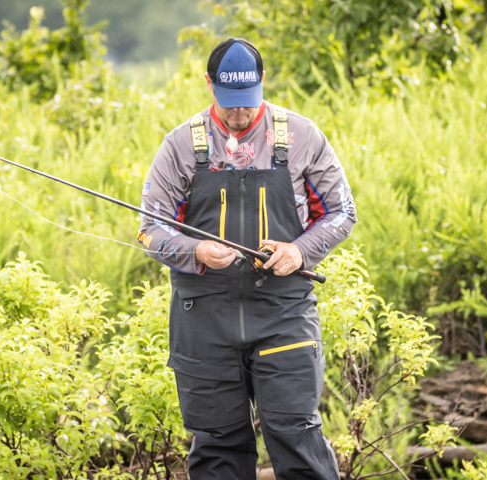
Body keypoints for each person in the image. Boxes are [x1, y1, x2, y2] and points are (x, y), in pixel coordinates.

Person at [138, 38, 356, 479]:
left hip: (284, 316)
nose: (239, 112)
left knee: (297, 436)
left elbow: (342, 213)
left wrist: (299, 251)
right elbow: (150, 230)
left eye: (247, 100)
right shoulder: (180, 145)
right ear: (209, 84)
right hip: (203, 322)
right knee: (217, 447)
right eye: (229, 100)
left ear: (262, 82)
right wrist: (196, 250)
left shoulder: (302, 136)